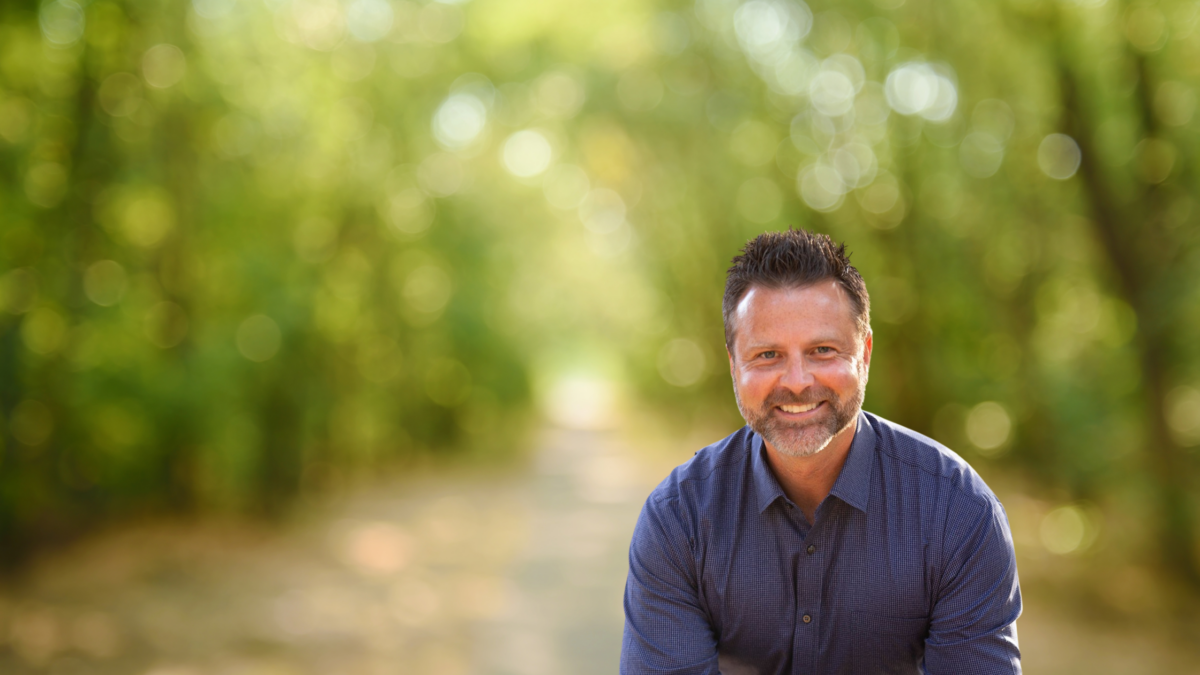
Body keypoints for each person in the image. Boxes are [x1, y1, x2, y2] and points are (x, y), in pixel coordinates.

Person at [620, 228, 1021, 674]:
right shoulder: (679, 519)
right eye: (768, 355)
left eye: (823, 350)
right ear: (733, 365)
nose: (796, 381)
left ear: (865, 354)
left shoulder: (958, 512)